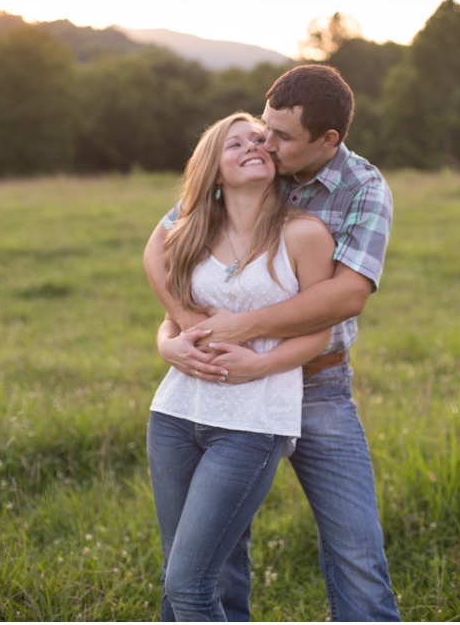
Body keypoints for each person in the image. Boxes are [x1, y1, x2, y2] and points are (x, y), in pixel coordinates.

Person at [144, 65, 401, 622]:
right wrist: (176, 333)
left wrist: (243, 328)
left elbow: (345, 297)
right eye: (265, 127)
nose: (267, 141)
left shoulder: (363, 188)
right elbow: (167, 242)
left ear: (328, 140)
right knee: (217, 554)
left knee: (356, 545)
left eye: (282, 136)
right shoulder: (256, 164)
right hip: (222, 388)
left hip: (319, 381)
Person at [145, 111, 336, 622]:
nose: (254, 145)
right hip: (174, 416)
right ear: (213, 169)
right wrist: (168, 346)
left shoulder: (304, 234)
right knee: (180, 577)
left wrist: (262, 363)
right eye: (235, 144)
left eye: (259, 139)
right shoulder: (190, 233)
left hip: (251, 425)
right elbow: (172, 318)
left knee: (188, 585)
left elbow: (321, 328)